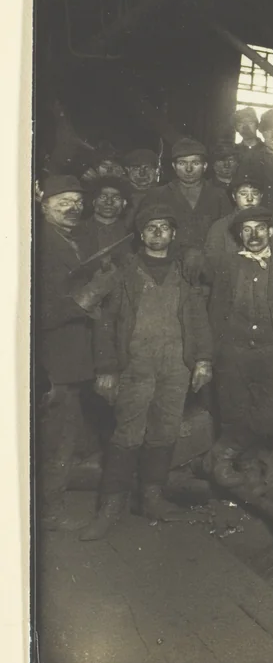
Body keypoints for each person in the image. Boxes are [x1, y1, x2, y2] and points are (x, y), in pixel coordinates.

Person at [82, 203, 214, 539]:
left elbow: (198, 319)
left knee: (165, 431)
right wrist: (107, 367)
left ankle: (152, 499)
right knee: (127, 433)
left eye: (164, 227)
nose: (158, 233)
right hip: (135, 365)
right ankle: (110, 508)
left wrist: (203, 359)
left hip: (175, 365)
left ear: (173, 234)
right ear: (141, 235)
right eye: (151, 227)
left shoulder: (186, 274)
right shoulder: (124, 272)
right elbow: (105, 322)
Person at [35, 175, 121, 530]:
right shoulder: (38, 243)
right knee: (56, 439)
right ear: (43, 206)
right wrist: (91, 294)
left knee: (65, 435)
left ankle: (48, 508)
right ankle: (48, 514)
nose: (73, 209)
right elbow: (40, 310)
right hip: (51, 362)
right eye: (62, 203)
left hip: (72, 360)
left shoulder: (73, 240)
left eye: (77, 202)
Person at [197, 206, 273, 489]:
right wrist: (210, 353)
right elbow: (215, 312)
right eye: (247, 230)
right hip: (234, 352)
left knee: (272, 412)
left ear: (271, 232)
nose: (254, 235)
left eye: (259, 229)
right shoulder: (227, 264)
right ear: (238, 235)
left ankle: (220, 454)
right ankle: (248, 464)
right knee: (235, 410)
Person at [144, 138, 233, 252]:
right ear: (174, 166)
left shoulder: (219, 196)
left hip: (210, 261)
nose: (189, 169)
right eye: (182, 163)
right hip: (169, 262)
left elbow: (228, 234)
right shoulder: (157, 195)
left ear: (204, 166)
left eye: (195, 163)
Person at [205, 169, 273, 261]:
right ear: (234, 196)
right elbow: (213, 262)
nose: (249, 199)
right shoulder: (221, 227)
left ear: (261, 196)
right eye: (243, 194)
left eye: (255, 193)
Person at [77, 175, 134, 258]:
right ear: (93, 201)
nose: (109, 202)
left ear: (124, 203)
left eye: (116, 198)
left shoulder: (132, 233)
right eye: (103, 197)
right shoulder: (76, 231)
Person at [123, 148, 160, 215]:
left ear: (156, 171)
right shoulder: (119, 194)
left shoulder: (165, 194)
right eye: (136, 168)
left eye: (147, 167)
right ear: (127, 170)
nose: (142, 173)